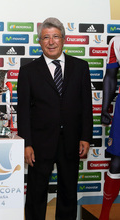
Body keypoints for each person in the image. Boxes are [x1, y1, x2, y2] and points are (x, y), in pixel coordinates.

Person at [17, 17, 93, 220]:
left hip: (72, 141)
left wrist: (86, 137)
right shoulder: (28, 71)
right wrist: (27, 143)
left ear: (63, 39)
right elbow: (23, 111)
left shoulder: (81, 67)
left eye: (55, 37)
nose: (51, 42)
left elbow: (87, 106)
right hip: (40, 144)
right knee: (36, 193)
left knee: (68, 192)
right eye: (45, 38)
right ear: (40, 42)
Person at [99, 35, 120, 220]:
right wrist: (105, 107)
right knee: (117, 159)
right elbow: (110, 76)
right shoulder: (117, 41)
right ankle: (104, 215)